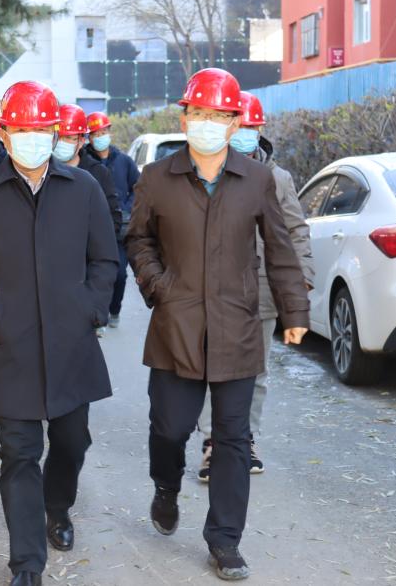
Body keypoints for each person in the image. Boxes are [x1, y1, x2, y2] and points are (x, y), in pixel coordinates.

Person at [126, 68, 310, 581]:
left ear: (234, 123)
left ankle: (225, 540)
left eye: (218, 115)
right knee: (170, 429)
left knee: (233, 439)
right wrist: (159, 285)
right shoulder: (157, 178)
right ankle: (166, 487)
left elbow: (280, 248)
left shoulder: (257, 179)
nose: (208, 123)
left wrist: (295, 311)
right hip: (176, 326)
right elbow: (137, 238)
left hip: (237, 327)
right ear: (185, 118)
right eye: (199, 113)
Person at [0, 81, 118, 586]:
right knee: (19, 454)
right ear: (4, 134)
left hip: (71, 343)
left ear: (55, 132)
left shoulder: (83, 188)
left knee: (72, 441)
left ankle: (58, 507)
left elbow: (105, 259)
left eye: (41, 129)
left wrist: (91, 308)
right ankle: (26, 562)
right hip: (11, 346)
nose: (32, 138)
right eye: (21, 130)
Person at [195, 91, 314, 482]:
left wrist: (301, 278)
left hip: (261, 291)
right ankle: (213, 443)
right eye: (239, 125)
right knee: (210, 369)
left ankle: (245, 439)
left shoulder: (278, 179)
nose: (244, 132)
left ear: (260, 129)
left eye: (251, 126)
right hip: (209, 291)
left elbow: (295, 230)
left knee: (255, 373)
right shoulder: (205, 171)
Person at [85, 110, 139, 329]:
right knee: (93, 273)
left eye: (103, 132)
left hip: (119, 229)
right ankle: (96, 313)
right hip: (92, 229)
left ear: (110, 132)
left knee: (119, 274)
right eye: (95, 134)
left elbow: (138, 188)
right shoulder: (86, 162)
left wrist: (126, 207)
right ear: (88, 137)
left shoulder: (124, 161)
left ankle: (114, 309)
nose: (100, 137)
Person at [54, 103, 122, 238]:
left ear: (81, 141)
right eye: (58, 137)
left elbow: (113, 219)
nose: (61, 143)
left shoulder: (98, 173)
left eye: (68, 138)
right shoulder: (42, 172)